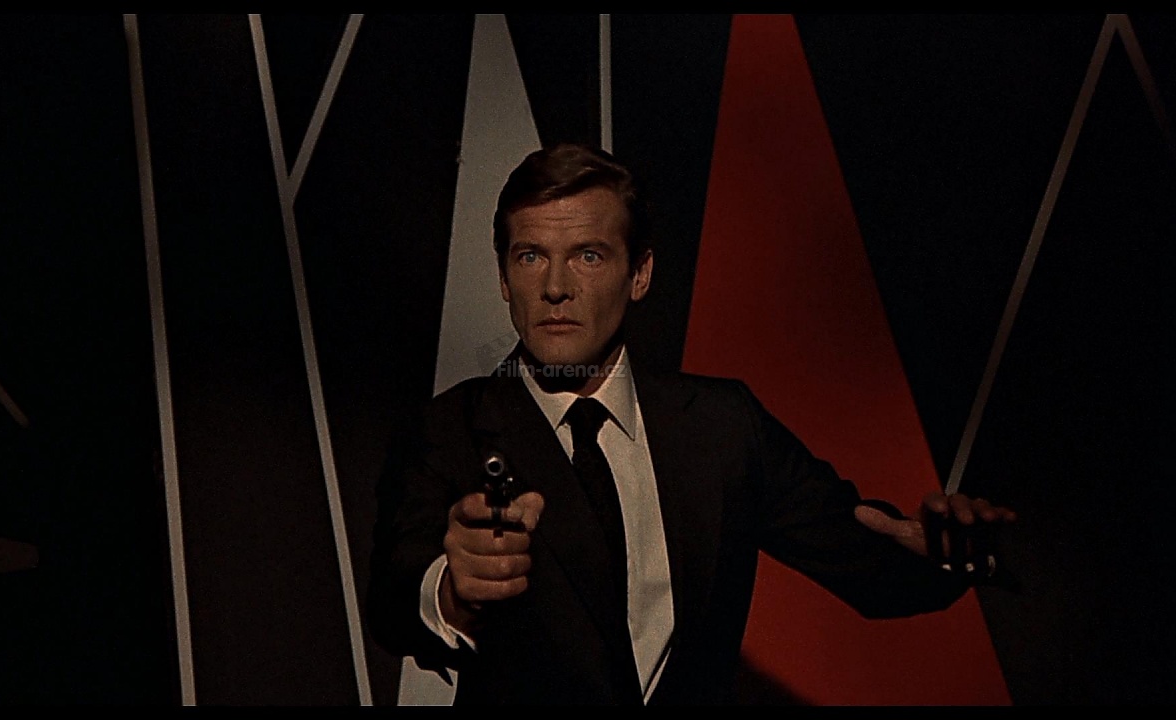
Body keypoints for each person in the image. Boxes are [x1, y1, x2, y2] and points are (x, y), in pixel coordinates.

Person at [368, 142, 1016, 705]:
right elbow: (396, 595)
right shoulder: (447, 428)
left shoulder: (723, 427)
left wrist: (944, 552)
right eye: (531, 256)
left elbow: (868, 564)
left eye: (588, 256)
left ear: (640, 273)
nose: (556, 286)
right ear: (505, 278)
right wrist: (452, 593)